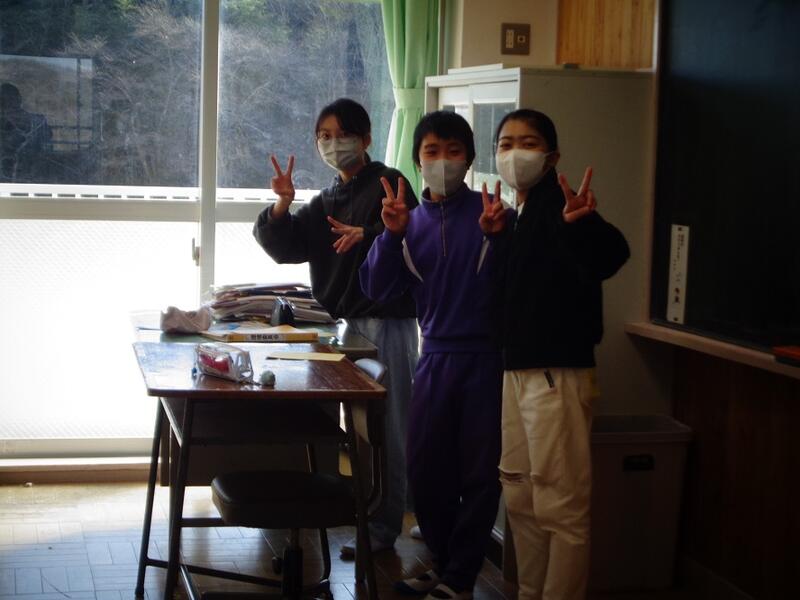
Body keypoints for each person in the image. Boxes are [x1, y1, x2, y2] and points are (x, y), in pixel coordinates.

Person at [252, 98, 419, 556]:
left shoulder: (390, 182)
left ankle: (385, 527)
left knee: (388, 429)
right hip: (345, 327)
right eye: (323, 136)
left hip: (386, 322)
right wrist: (282, 205)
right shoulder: (326, 199)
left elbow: (412, 237)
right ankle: (365, 516)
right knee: (359, 431)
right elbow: (287, 247)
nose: (332, 144)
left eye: (342, 134)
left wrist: (371, 233)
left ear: (366, 139)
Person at [360, 111, 513, 600]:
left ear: (469, 159)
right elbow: (378, 288)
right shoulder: (408, 222)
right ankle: (446, 565)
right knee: (426, 471)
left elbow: (511, 289)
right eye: (432, 152)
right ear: (417, 161)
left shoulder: (493, 214)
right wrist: (391, 236)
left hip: (484, 359)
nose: (443, 161)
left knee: (479, 474)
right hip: (434, 357)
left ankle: (461, 578)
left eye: (453, 151)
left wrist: (497, 238)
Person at [493, 108, 630, 600]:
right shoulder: (519, 214)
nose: (515, 153)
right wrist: (494, 238)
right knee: (521, 494)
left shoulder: (561, 205)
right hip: (517, 369)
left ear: (552, 157)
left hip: (557, 372)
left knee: (561, 505)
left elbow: (612, 255)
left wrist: (582, 224)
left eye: (528, 143)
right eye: (506, 143)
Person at [0, 82, 52, 182]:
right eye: (5, 102)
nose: (10, 105)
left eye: (12, 100)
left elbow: (47, 153)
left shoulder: (39, 123)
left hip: (33, 180)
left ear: (19, 100)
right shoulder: (39, 122)